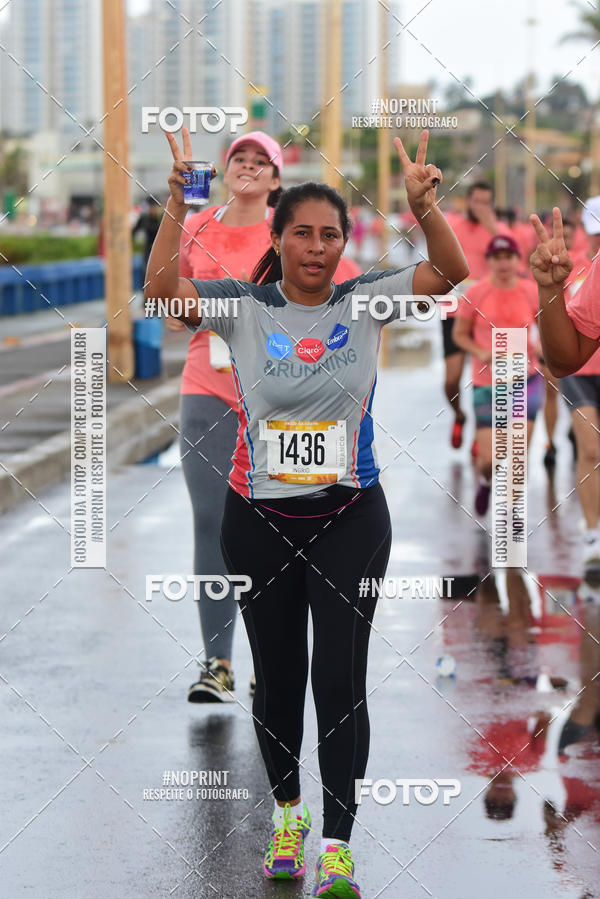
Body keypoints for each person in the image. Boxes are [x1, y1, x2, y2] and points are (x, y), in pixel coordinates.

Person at [147, 125, 468, 897]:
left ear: (342, 245)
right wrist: (174, 202)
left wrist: (427, 208)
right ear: (279, 238)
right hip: (257, 519)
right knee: (280, 675)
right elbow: (162, 293)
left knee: (339, 676)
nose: (317, 247)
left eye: (330, 235)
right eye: (303, 234)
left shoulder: (365, 302)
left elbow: (449, 273)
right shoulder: (244, 307)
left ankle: (339, 842)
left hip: (350, 517)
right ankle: (287, 815)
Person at [170, 131, 361, 704]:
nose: (248, 168)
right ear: (225, 172)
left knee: (279, 530)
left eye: (261, 162)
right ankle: (216, 664)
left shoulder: (290, 234)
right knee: (210, 522)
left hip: (280, 401)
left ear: (277, 180)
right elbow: (170, 305)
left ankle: (267, 665)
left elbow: (342, 295)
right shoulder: (196, 228)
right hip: (208, 388)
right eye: (239, 160)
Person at [452, 234, 543, 515]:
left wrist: (542, 348)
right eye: (497, 257)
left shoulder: (531, 290)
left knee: (517, 453)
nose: (503, 263)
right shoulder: (476, 293)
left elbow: (547, 330)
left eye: (508, 257)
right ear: (489, 261)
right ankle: (486, 481)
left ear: (518, 260)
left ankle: (513, 514)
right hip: (487, 382)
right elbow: (459, 336)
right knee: (490, 459)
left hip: (525, 379)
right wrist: (481, 353)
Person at [532, 203, 600, 573]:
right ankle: (593, 534)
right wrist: (551, 289)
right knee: (589, 449)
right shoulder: (576, 264)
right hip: (584, 372)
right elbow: (564, 356)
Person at [443, 183, 512, 451]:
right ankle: (459, 415)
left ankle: (480, 432)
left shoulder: (498, 229)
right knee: (452, 378)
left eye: (486, 202)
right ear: (467, 201)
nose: (480, 207)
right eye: (476, 202)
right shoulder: (454, 225)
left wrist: (491, 224)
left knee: (485, 378)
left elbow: (511, 252)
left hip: (486, 314)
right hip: (453, 308)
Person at [132, 196, 162, 273]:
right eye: (151, 207)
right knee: (146, 271)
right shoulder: (144, 218)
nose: (153, 209)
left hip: (160, 249)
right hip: (148, 249)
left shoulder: (162, 218)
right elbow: (134, 231)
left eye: (154, 207)